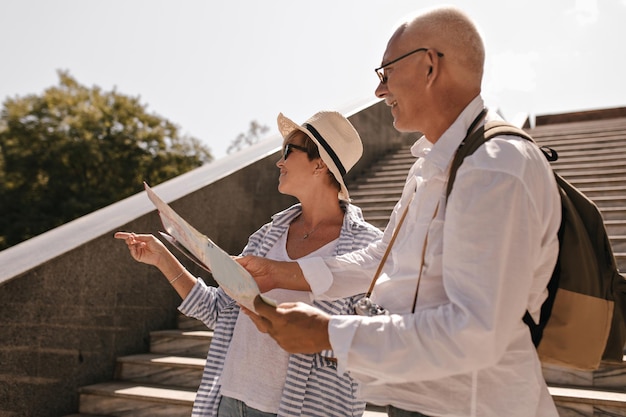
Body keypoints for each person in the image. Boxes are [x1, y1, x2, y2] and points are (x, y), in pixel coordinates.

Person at [238, 6, 562, 417]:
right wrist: (281, 273)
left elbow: (477, 331)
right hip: (417, 400)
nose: (379, 91)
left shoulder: (495, 166)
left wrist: (329, 332)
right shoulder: (431, 164)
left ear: (428, 66)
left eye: (385, 73)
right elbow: (382, 258)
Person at [115, 110, 383, 417]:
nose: (279, 162)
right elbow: (220, 309)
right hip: (230, 401)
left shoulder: (367, 248)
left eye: (288, 151)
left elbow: (369, 344)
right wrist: (163, 258)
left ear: (319, 164)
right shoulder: (267, 235)